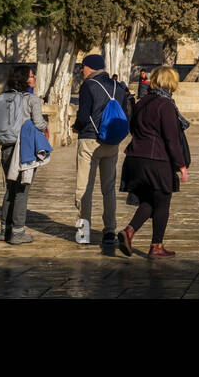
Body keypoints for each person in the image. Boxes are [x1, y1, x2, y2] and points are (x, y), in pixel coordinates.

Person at [117, 66, 189, 258]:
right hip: (156, 159)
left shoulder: (142, 102)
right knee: (163, 202)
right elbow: (171, 139)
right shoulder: (165, 105)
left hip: (135, 158)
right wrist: (181, 166)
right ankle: (156, 246)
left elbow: (132, 129)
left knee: (150, 200)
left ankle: (129, 231)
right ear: (171, 82)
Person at [72, 54, 130, 246]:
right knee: (108, 189)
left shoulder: (88, 86)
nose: (81, 70)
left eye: (83, 66)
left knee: (84, 188)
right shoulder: (118, 87)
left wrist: (76, 127)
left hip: (90, 140)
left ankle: (83, 232)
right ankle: (109, 231)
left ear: (90, 68)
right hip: (111, 143)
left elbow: (83, 115)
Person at [0, 65, 50, 244]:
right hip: (24, 150)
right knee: (22, 190)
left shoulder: (6, 97)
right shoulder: (32, 99)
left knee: (10, 188)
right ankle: (18, 232)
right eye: (32, 75)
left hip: (7, 147)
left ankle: (4, 230)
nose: (35, 77)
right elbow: (39, 123)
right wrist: (46, 126)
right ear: (26, 79)